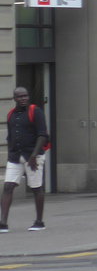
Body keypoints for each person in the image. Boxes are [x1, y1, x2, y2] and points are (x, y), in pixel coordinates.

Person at [2, 87, 50, 232]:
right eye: (20, 96)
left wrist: (34, 156)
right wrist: (10, 152)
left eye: (25, 96)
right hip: (15, 156)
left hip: (33, 156)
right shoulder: (11, 114)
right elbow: (10, 136)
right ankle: (3, 222)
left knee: (36, 188)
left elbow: (42, 135)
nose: (23, 98)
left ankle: (39, 221)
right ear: (14, 98)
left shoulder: (36, 111)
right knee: (8, 186)